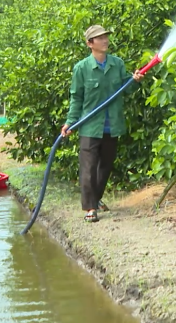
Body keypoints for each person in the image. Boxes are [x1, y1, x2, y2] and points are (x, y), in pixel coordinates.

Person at [61, 25, 144, 222]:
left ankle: (96, 199)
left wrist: (135, 80)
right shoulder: (81, 68)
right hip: (90, 125)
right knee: (88, 167)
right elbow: (76, 98)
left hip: (112, 125)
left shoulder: (117, 64)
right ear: (90, 44)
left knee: (105, 166)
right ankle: (90, 207)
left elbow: (127, 88)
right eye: (100, 38)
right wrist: (71, 122)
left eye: (106, 37)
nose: (105, 40)